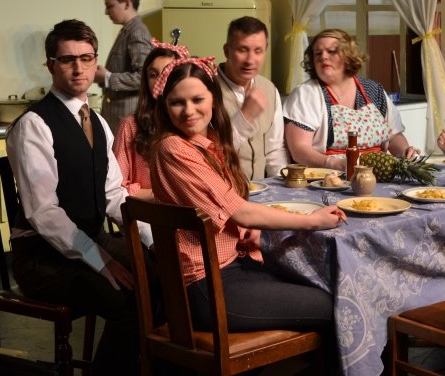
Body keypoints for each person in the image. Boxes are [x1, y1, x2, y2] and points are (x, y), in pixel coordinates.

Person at [148, 57, 346, 333]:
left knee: (327, 285)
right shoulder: (172, 147)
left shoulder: (209, 142)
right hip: (207, 285)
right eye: (177, 103)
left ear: (213, 100)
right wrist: (313, 220)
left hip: (232, 266)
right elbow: (240, 211)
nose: (189, 111)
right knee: (337, 306)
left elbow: (219, 205)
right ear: (165, 107)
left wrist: (243, 229)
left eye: (197, 99)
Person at [7, 19, 153, 374]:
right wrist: (99, 259)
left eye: (86, 58)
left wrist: (153, 239)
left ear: (95, 61)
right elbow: (44, 212)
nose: (79, 68)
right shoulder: (33, 125)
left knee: (163, 274)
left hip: (89, 239)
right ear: (50, 65)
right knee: (127, 301)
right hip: (41, 258)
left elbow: (114, 194)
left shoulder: (98, 122)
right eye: (68, 60)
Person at [283, 28, 417, 172]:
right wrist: (333, 164)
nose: (323, 57)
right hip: (329, 177)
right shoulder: (306, 94)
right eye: (317, 53)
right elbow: (299, 150)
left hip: (377, 175)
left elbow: (394, 136)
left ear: (348, 55)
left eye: (331, 51)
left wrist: (405, 152)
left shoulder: (373, 90)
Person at [217, 16, 289, 179]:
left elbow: (274, 149)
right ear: (227, 51)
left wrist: (282, 183)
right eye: (243, 50)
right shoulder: (206, 89)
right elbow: (211, 153)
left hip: (262, 189)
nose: (250, 60)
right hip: (223, 189)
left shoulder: (269, 89)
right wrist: (246, 116)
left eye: (258, 51)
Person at [113, 40, 186, 200]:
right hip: (148, 212)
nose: (161, 80)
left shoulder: (193, 121)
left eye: (169, 72)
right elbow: (116, 187)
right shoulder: (130, 126)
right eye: (153, 75)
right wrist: (161, 195)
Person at [95, 0, 153, 135]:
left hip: (126, 118)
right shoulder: (128, 30)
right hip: (118, 117)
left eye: (110, 6)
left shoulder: (137, 31)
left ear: (127, 3)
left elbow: (144, 76)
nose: (106, 12)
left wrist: (107, 77)